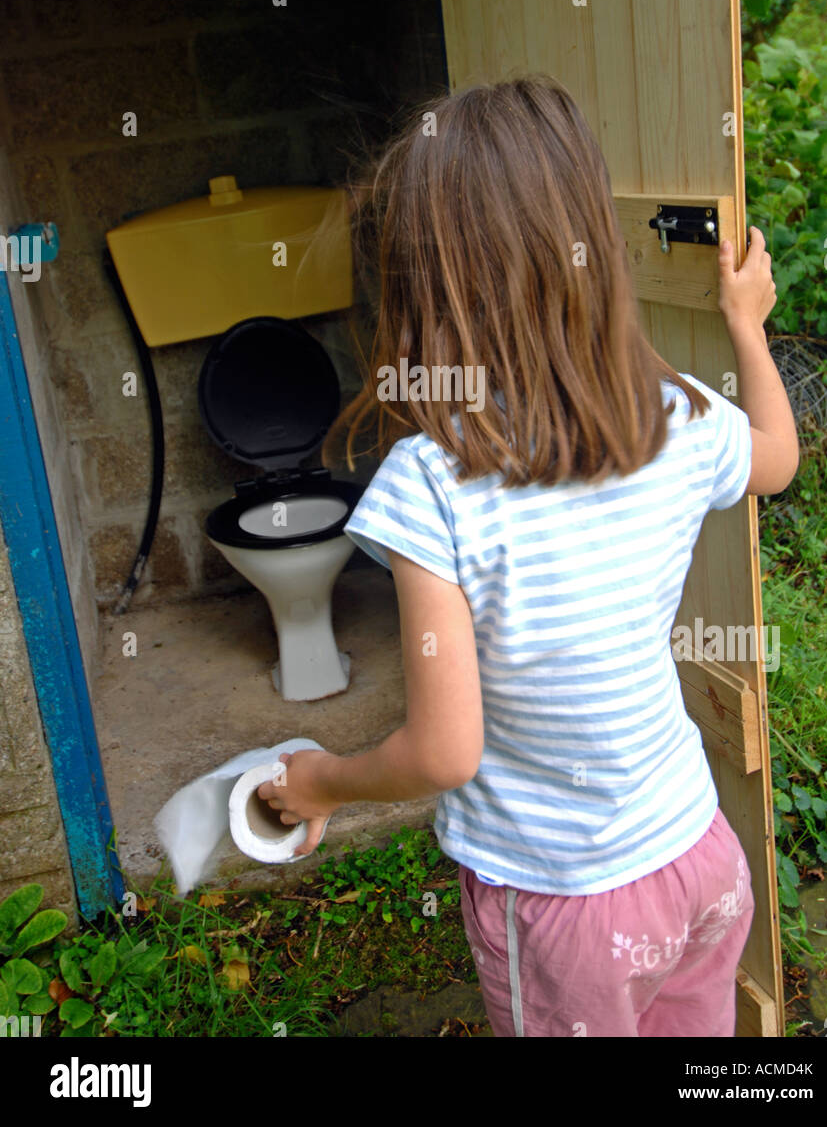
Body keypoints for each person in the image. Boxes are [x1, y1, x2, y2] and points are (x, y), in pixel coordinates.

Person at [257, 74, 799, 1037]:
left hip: (568, 907)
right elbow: (778, 461)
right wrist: (744, 329)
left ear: (428, 280)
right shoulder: (673, 415)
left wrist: (321, 781)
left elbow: (443, 750)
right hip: (698, 855)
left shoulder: (433, 481)